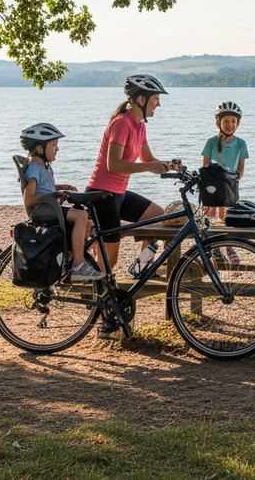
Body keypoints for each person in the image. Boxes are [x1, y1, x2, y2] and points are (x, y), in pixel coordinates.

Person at [85, 74, 172, 337]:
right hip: (102, 195)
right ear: (141, 99)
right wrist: (148, 167)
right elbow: (114, 165)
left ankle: (140, 264)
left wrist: (167, 166)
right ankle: (104, 319)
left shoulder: (140, 125)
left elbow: (147, 158)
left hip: (119, 193)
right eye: (156, 99)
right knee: (107, 263)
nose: (158, 104)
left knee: (157, 216)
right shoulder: (121, 123)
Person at [18, 123, 104, 281]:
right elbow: (29, 198)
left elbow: (43, 188)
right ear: (39, 148)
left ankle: (71, 257)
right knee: (80, 216)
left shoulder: (43, 166)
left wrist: (60, 188)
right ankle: (78, 265)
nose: (57, 149)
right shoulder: (34, 167)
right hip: (43, 210)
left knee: (90, 224)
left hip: (50, 207)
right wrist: (55, 195)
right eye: (53, 145)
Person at [201, 101, 249, 221]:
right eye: (226, 121)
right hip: (213, 183)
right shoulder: (211, 142)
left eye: (233, 121)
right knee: (210, 212)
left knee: (227, 213)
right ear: (219, 123)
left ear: (238, 123)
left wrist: (233, 179)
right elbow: (205, 167)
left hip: (230, 183)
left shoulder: (241, 144)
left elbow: (241, 169)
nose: (230, 124)